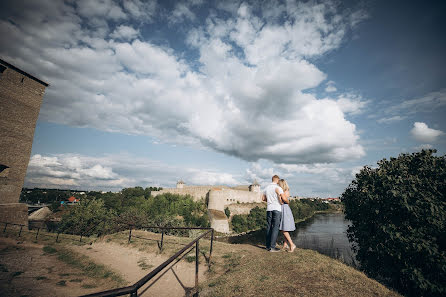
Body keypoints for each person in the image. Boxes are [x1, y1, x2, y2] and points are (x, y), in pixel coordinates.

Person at [262, 175, 286, 252]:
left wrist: (269, 200)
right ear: (277, 180)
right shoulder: (278, 188)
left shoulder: (266, 188)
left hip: (269, 209)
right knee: (275, 228)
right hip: (277, 209)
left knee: (269, 227)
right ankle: (272, 247)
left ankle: (268, 246)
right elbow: (283, 198)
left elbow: (263, 199)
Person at [278, 179, 296, 252]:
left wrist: (279, 197)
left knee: (284, 229)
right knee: (284, 227)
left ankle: (292, 244)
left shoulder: (283, 192)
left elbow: (282, 202)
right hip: (286, 209)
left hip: (284, 209)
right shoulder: (287, 191)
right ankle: (285, 244)